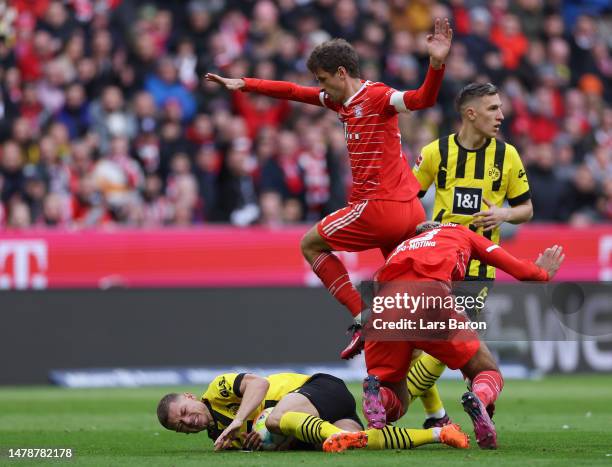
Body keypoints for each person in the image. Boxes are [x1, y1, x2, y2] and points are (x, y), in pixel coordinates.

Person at [206, 18, 453, 361]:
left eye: (323, 79)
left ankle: (362, 317)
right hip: (409, 210)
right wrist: (244, 83)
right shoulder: (341, 101)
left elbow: (423, 99)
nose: (320, 86)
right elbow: (292, 91)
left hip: (376, 209)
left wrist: (436, 64)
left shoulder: (379, 96)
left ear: (341, 72)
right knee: (405, 319)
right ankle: (437, 410)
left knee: (310, 243)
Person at [355, 221, 564, 449]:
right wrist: (542, 272)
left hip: (382, 307)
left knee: (397, 401)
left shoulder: (403, 247)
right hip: (429, 297)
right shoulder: (461, 233)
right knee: (485, 369)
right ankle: (480, 401)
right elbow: (520, 270)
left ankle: (377, 394)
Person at [413, 82, 533, 316]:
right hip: (436, 261)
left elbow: (526, 209)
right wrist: (420, 226)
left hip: (478, 270)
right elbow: (407, 202)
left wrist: (504, 214)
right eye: (492, 109)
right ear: (471, 114)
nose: (501, 116)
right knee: (436, 340)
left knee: (452, 335)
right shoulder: (434, 152)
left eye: (500, 108)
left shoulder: (507, 155)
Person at [156, 370, 468, 452]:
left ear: (190, 396)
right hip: (311, 422)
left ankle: (335, 437)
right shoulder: (222, 441)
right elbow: (272, 441)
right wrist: (279, 445)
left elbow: (259, 385)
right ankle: (439, 433)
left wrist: (240, 420)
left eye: (184, 411)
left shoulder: (217, 390)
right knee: (359, 438)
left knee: (273, 418)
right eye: (181, 426)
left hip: (320, 389)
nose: (187, 420)